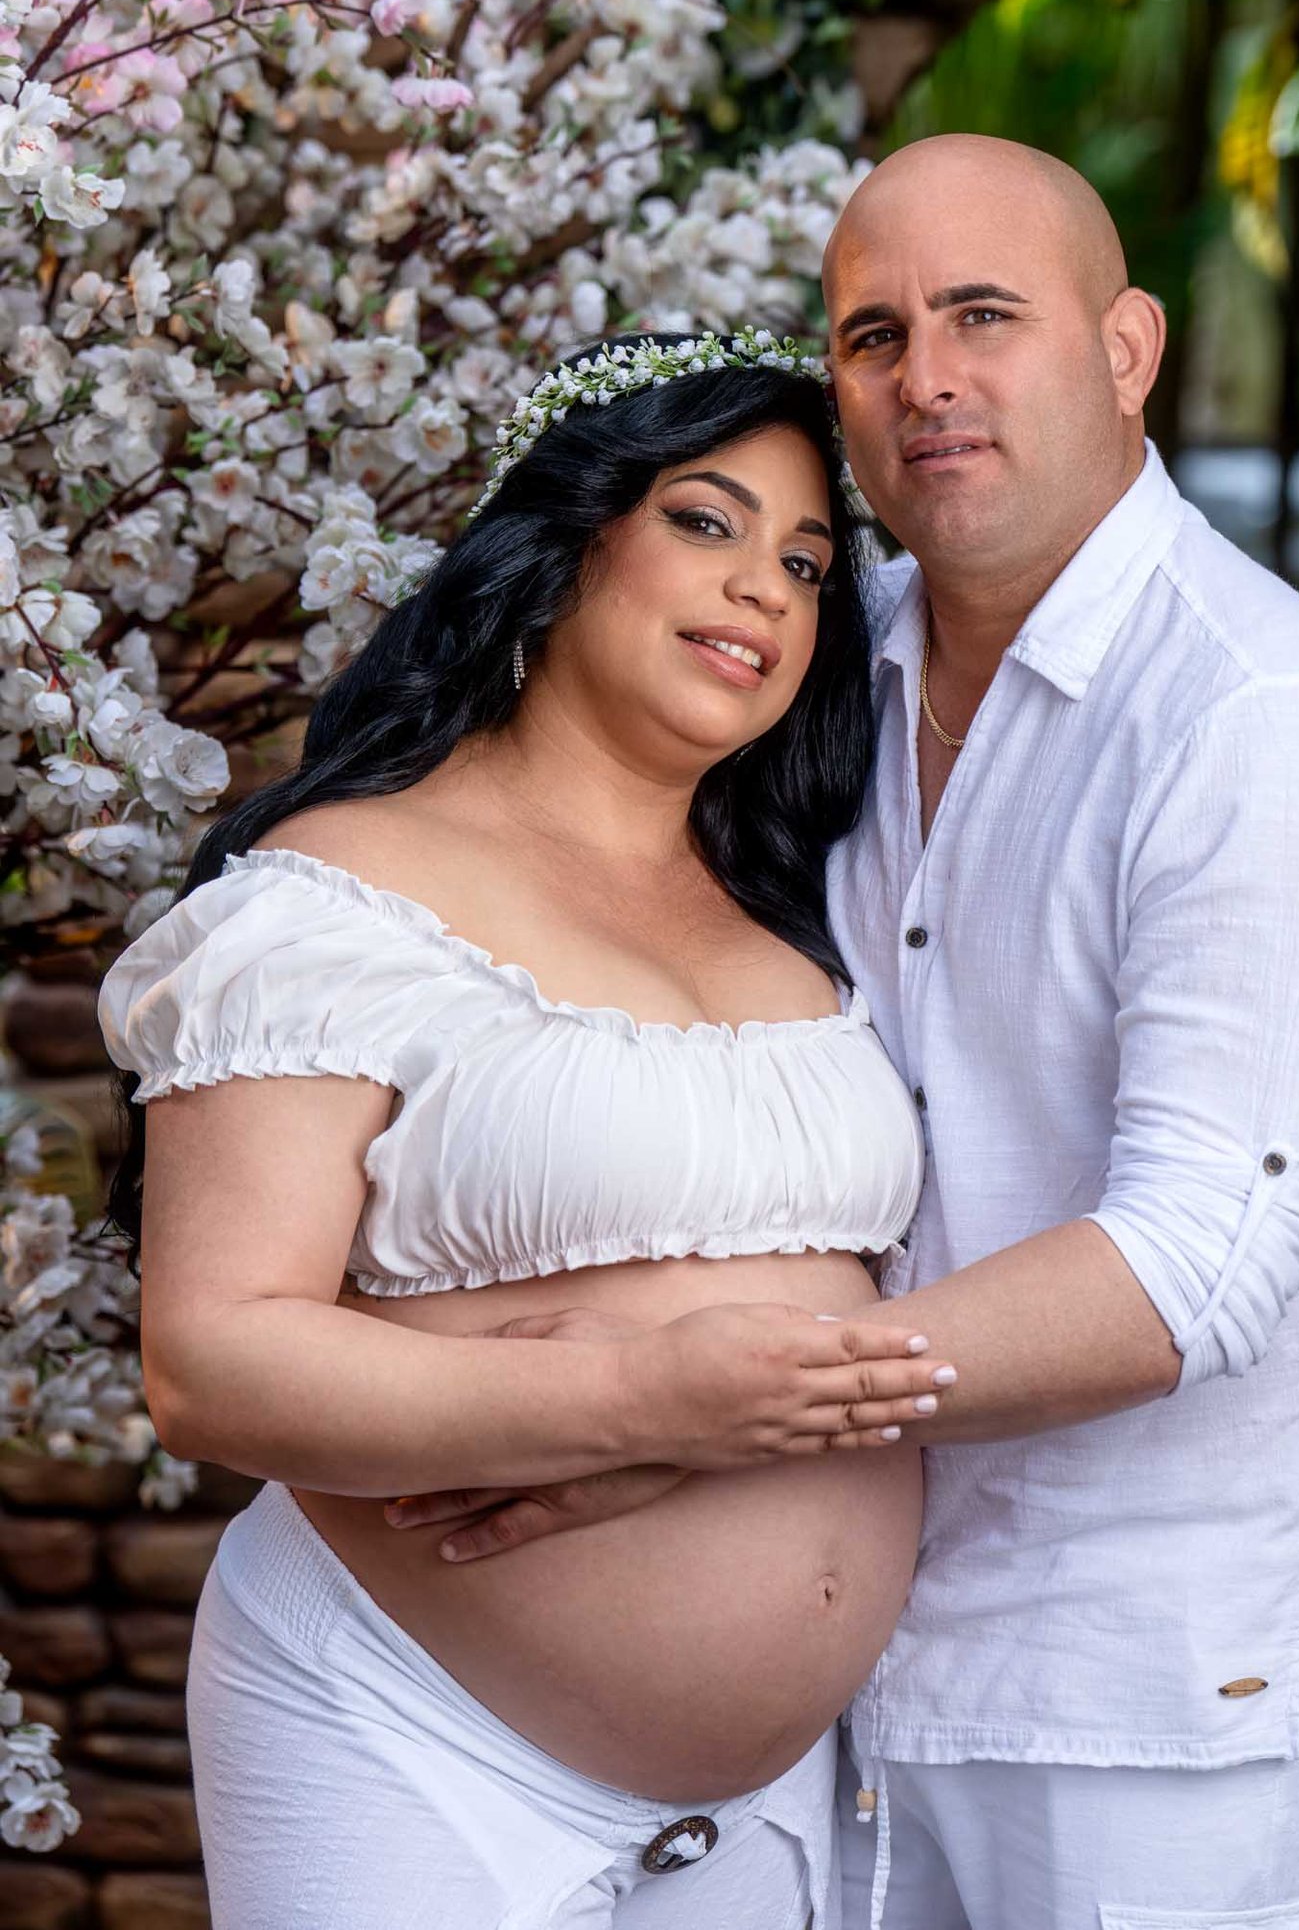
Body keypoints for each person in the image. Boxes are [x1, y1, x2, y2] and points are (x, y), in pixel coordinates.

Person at [412, 135, 1299, 1930]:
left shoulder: (1265, 723)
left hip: (1161, 1707)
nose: (927, 379)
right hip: (855, 1694)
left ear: (1126, 351)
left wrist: (707, 1415)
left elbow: (1193, 1264)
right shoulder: (820, 663)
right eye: (873, 336)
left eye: (986, 316)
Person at [96, 328, 964, 1930]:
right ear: (563, 543)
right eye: (703, 522)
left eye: (806, 562)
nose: (766, 589)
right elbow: (209, 1363)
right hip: (408, 1738)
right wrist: (639, 1399)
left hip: (766, 1801)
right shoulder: (337, 898)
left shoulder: (808, 906)